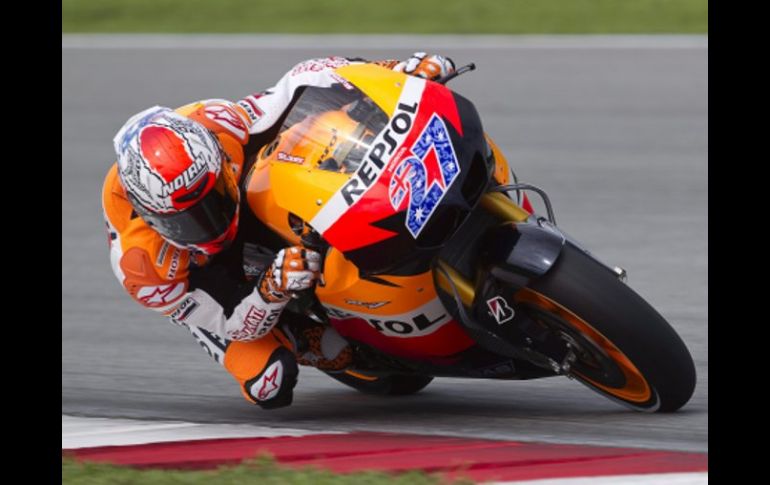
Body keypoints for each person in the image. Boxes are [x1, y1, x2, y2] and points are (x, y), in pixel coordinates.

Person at [102, 52, 456, 409]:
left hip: (239, 185)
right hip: (210, 285)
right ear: (152, 218)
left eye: (215, 199)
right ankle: (311, 343)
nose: (210, 224)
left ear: (222, 165)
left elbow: (304, 81)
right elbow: (233, 323)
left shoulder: (218, 125)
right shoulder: (146, 268)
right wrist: (271, 289)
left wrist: (397, 71)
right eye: (186, 221)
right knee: (270, 381)